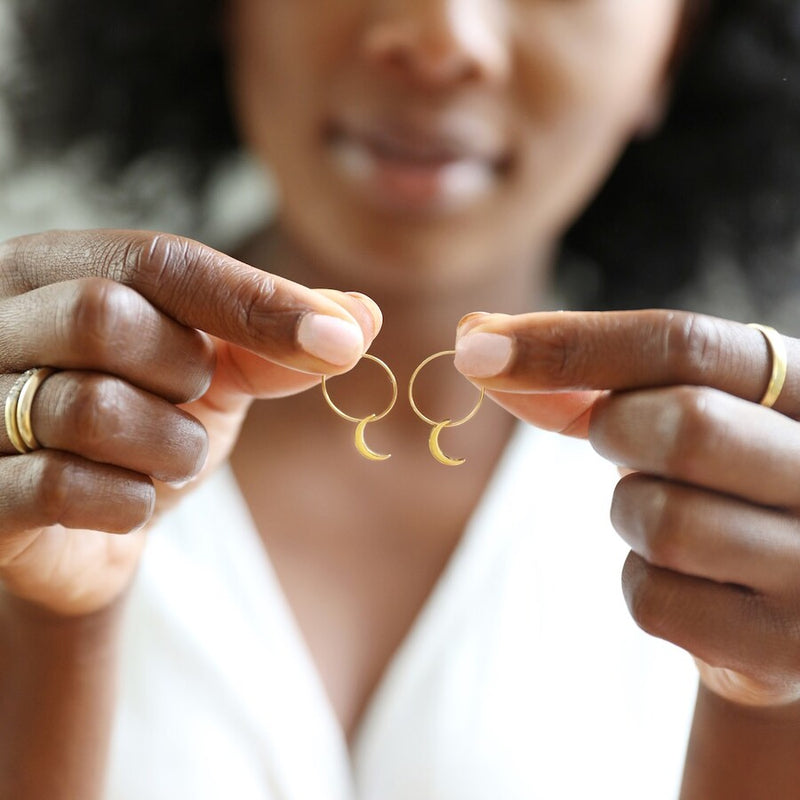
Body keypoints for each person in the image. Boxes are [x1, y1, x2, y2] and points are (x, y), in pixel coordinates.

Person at [2, 1, 800, 798]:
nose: (439, 39)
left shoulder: (749, 546)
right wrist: (47, 625)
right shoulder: (37, 460)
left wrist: (769, 706)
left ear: (676, 44)